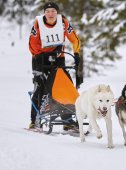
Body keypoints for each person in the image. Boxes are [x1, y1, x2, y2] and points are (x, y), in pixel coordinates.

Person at [28, 2, 81, 130]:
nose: (51, 14)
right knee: (40, 87)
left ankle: (68, 120)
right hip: (39, 58)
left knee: (65, 86)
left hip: (58, 58)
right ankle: (34, 120)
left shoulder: (63, 22)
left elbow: (74, 39)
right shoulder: (38, 24)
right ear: (44, 13)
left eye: (53, 11)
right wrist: (39, 55)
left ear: (57, 12)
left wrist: (76, 53)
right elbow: (32, 43)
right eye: (48, 11)